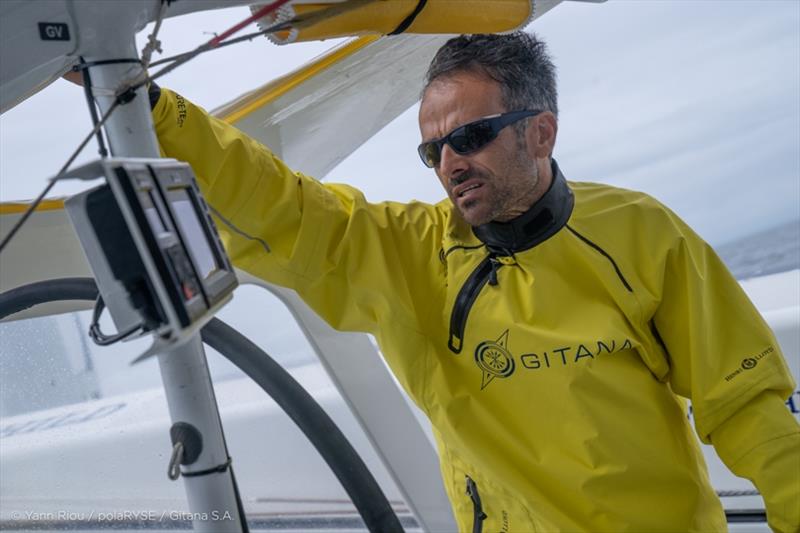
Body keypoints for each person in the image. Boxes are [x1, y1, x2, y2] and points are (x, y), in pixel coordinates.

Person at [150, 33, 799, 532]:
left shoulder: (641, 232)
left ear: (540, 131)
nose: (451, 163)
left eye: (471, 136)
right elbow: (281, 207)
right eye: (434, 150)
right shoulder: (406, 255)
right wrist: (155, 111)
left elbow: (745, 402)